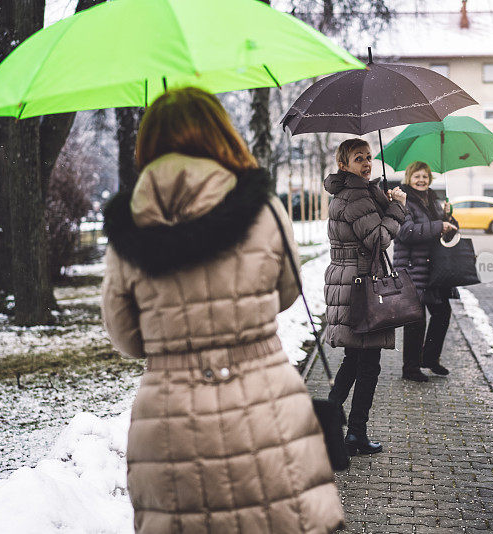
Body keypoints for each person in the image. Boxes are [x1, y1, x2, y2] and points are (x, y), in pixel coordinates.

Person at [101, 87, 344, 534]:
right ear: (221, 135)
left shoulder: (126, 229)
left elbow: (126, 338)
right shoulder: (265, 209)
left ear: (148, 143)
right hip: (263, 403)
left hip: (169, 423)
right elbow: (287, 293)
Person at [323, 138, 407, 456]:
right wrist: (397, 207)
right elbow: (378, 238)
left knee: (355, 361)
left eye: (369, 157)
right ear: (343, 165)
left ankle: (336, 429)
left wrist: (383, 199)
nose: (367, 163)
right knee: (366, 364)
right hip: (359, 287)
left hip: (353, 284)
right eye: (359, 159)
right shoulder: (355, 196)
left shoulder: (356, 192)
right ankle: (353, 433)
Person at [393, 161, 460, 382]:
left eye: (425, 176)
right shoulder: (403, 200)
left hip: (433, 268)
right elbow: (406, 232)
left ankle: (429, 358)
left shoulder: (433, 200)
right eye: (417, 176)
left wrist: (449, 219)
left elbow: (444, 234)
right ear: (408, 179)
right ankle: (410, 368)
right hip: (412, 267)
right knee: (416, 319)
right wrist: (438, 225)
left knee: (442, 313)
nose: (421, 180)